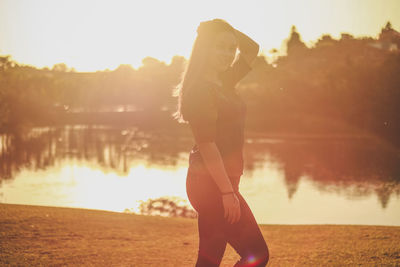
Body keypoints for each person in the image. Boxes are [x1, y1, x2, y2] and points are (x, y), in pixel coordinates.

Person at [173, 18, 270, 267]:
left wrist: (223, 28)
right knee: (255, 256)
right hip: (210, 183)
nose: (228, 54)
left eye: (230, 48)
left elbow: (252, 49)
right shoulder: (200, 90)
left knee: (213, 261)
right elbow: (207, 145)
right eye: (219, 47)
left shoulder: (224, 81)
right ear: (204, 48)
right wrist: (227, 192)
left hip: (224, 182)